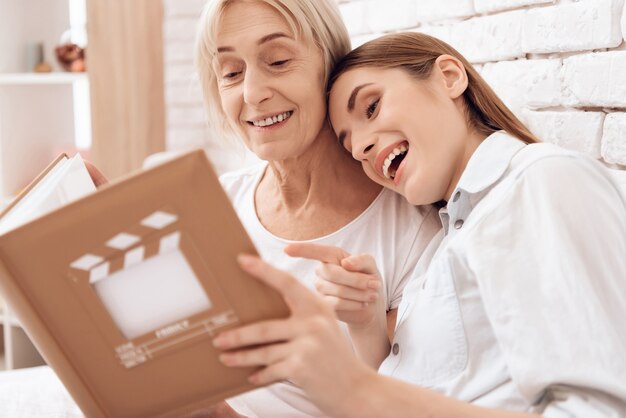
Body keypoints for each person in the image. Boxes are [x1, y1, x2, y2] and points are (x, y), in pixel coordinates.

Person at [212, 32, 626, 417]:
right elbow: (423, 384)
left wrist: (353, 388)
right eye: (349, 143)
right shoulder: (448, 236)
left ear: (448, 77)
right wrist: (368, 324)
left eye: (371, 107)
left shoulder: (540, 181)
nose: (361, 146)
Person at [194, 2, 440, 417]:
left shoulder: (412, 224)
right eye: (231, 73)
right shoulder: (216, 205)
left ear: (331, 66)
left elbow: (400, 402)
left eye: (277, 61)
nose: (252, 93)